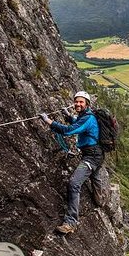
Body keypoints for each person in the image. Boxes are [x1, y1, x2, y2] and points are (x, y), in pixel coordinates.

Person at [40, 91, 104, 234]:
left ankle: (71, 222)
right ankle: (100, 200)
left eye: (81, 102)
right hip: (95, 155)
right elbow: (77, 123)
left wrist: (49, 121)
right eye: (76, 101)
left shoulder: (88, 118)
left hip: (91, 157)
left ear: (87, 104)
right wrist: (67, 115)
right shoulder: (85, 116)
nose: (77, 104)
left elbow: (69, 131)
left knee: (74, 183)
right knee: (95, 177)